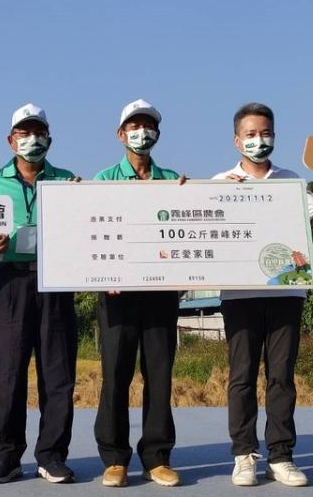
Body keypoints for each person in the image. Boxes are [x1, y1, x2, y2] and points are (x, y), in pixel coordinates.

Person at [212, 102, 313, 488]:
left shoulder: (292, 181)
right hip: (239, 294)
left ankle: (280, 456)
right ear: (236, 139)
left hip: (285, 291)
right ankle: (244, 455)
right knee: (242, 377)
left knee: (281, 376)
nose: (258, 140)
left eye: (265, 132)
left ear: (275, 136)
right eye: (250, 134)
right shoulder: (219, 182)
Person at [0, 103, 79, 485]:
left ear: (49, 139)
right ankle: (5, 457)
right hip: (11, 282)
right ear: (10, 139)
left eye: (38, 133)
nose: (31, 139)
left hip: (56, 281)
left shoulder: (69, 181)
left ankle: (51, 455)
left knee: (58, 373)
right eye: (23, 133)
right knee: (8, 373)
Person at [93, 99, 184, 488]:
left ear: (157, 134)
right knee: (115, 373)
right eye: (134, 126)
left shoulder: (175, 181)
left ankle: (156, 456)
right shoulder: (101, 181)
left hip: (160, 293)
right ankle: (115, 458)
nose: (141, 132)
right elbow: (88, 238)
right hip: (116, 293)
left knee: (159, 374)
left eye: (148, 126)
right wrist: (101, 274)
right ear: (120, 134)